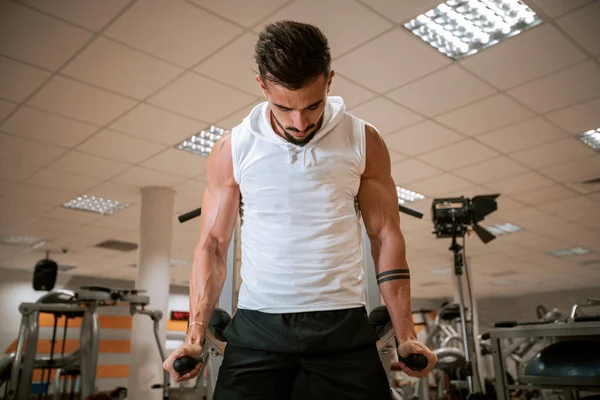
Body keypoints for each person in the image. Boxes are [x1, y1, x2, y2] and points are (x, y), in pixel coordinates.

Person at [163, 20, 437, 399]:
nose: (300, 122)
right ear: (262, 86)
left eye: (313, 105)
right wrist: (194, 336)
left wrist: (406, 334)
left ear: (329, 81)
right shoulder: (234, 147)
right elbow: (212, 244)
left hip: (342, 327)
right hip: (258, 326)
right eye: (284, 108)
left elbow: (385, 235)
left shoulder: (363, 140)